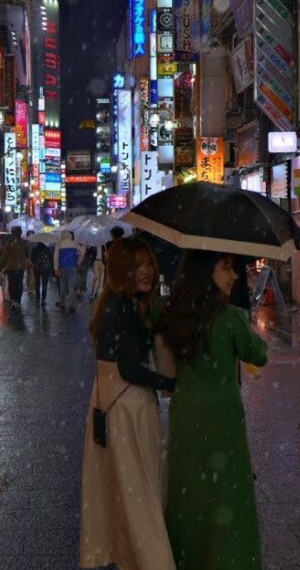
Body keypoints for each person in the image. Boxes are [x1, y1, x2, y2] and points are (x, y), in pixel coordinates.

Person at [155, 250, 269, 570]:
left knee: (189, 497)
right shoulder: (231, 317)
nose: (234, 276)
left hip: (185, 419)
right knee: (228, 496)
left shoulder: (171, 312)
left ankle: (185, 559)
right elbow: (258, 355)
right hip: (223, 420)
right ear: (208, 273)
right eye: (227, 268)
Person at [79, 238, 176, 570]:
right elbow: (131, 368)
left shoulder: (115, 303)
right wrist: (171, 383)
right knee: (141, 494)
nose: (147, 271)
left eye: (149, 264)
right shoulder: (123, 309)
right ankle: (152, 561)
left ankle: (128, 555)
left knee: (124, 491)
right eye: (138, 265)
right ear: (123, 269)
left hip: (109, 403)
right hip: (129, 408)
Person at [0, 227, 30, 309]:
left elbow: (4, 256)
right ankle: (17, 300)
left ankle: (15, 300)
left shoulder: (9, 243)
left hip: (12, 267)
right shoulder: (23, 243)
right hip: (20, 266)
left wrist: (1, 266)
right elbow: (27, 254)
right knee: (18, 284)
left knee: (13, 284)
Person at [55, 231, 82, 312]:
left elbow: (55, 257)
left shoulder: (59, 244)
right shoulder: (74, 243)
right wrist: (78, 262)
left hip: (62, 267)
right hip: (72, 267)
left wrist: (56, 268)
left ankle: (62, 304)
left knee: (62, 286)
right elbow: (82, 252)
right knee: (71, 287)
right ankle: (72, 306)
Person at [30, 239, 55, 305]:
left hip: (37, 268)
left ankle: (37, 299)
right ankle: (43, 299)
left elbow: (32, 259)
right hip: (46, 269)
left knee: (37, 283)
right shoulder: (47, 249)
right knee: (44, 284)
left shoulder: (34, 249)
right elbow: (50, 259)